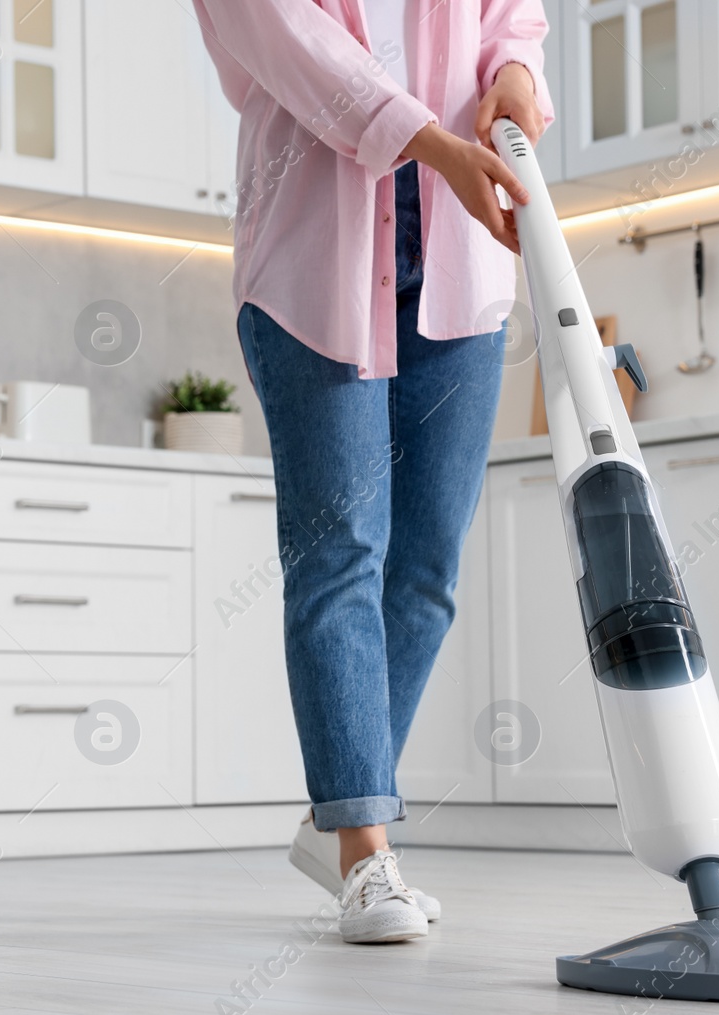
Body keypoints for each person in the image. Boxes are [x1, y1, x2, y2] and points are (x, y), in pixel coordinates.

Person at [196, 0, 553, 943]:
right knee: (340, 554)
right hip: (312, 262)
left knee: (427, 570)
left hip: (459, 258)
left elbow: (510, 19)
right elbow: (300, 54)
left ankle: (342, 819)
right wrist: (435, 145)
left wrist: (515, 76)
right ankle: (363, 849)